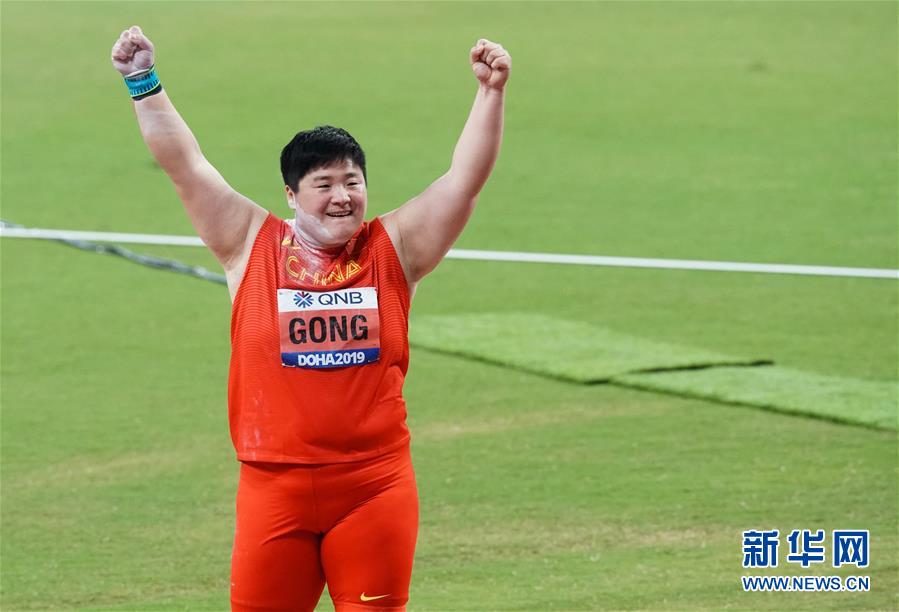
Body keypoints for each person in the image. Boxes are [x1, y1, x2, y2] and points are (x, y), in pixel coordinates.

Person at [111, 24, 510, 612]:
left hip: (374, 486)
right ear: (292, 195)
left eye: (352, 181)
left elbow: (464, 181)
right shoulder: (247, 241)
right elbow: (186, 166)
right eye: (324, 184)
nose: (342, 196)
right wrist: (143, 81)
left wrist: (491, 92)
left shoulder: (397, 247)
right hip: (273, 488)